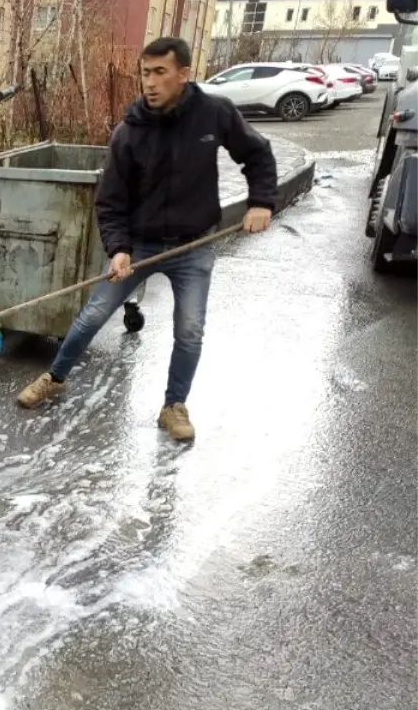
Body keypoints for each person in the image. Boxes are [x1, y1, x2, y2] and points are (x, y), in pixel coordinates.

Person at [15, 37, 277, 442]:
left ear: (183, 74)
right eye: (145, 73)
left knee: (190, 329)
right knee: (92, 316)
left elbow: (257, 154)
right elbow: (110, 202)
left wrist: (261, 201)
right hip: (141, 245)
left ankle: (174, 406)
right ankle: (56, 376)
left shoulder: (214, 114)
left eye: (160, 72)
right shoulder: (129, 133)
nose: (150, 83)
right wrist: (119, 249)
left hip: (193, 245)